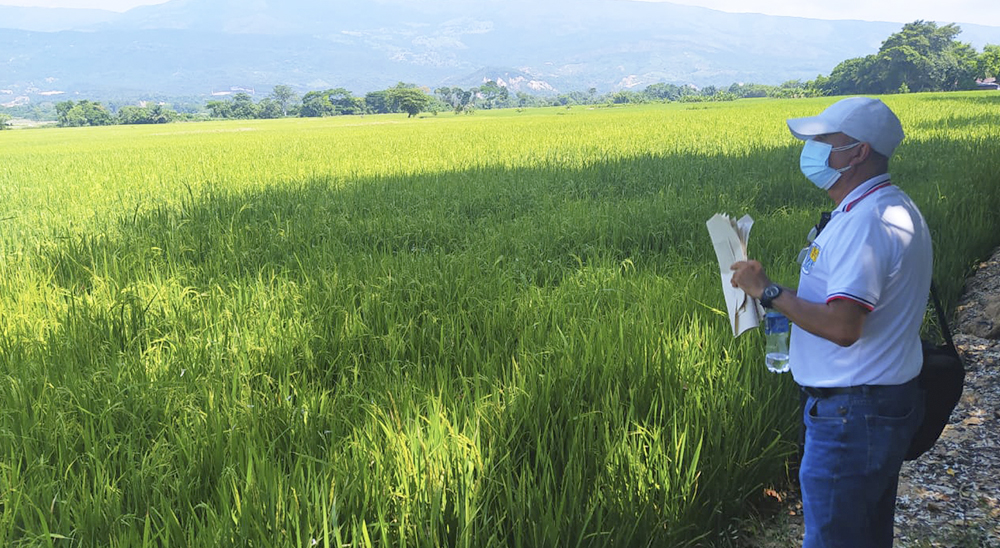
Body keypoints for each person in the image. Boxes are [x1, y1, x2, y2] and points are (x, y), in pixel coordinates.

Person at [730, 97, 932, 548]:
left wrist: (770, 292)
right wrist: (772, 296)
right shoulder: (881, 207)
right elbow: (836, 304)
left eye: (824, 140)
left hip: (852, 413)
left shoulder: (869, 222)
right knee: (863, 534)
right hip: (871, 405)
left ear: (859, 152)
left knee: (835, 539)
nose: (814, 150)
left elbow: (844, 327)